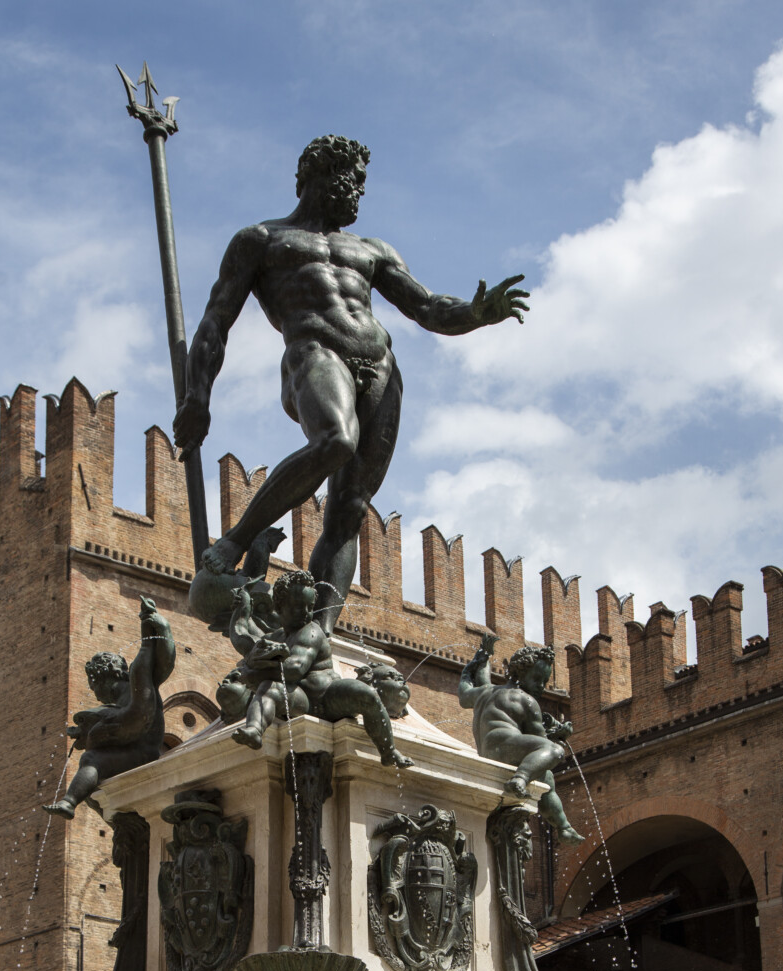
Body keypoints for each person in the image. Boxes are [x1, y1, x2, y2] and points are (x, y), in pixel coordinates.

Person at [175, 134, 529, 634]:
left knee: (350, 508)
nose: (358, 192)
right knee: (336, 441)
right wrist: (198, 396)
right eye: (350, 180)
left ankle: (317, 634)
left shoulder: (371, 250)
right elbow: (215, 322)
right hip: (314, 353)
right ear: (315, 178)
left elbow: (427, 307)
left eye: (363, 183)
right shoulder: (262, 240)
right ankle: (235, 540)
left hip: (381, 365)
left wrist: (476, 313)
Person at [225, 569, 413, 768]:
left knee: (365, 694)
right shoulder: (277, 637)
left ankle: (388, 750)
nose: (306, 612)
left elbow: (295, 668)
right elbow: (245, 640)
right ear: (280, 606)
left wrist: (254, 672)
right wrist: (241, 611)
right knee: (269, 689)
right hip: (303, 701)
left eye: (309, 606)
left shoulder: (311, 631)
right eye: (298, 606)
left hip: (329, 696)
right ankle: (254, 730)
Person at [45, 597, 175, 820]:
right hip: (136, 750)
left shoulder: (137, 679)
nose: (95, 693)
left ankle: (69, 802)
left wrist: (159, 626)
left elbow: (155, 655)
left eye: (93, 687)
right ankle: (111, 817)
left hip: (144, 753)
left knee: (91, 760)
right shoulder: (129, 689)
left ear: (102, 679)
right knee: (93, 780)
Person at [460, 633, 584, 845]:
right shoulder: (527, 701)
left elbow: (464, 693)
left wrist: (477, 661)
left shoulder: (485, 692)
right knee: (555, 751)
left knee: (547, 779)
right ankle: (521, 779)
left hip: (488, 750)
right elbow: (541, 742)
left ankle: (563, 827)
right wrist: (558, 734)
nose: (541, 686)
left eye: (544, 681)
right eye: (537, 679)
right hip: (506, 749)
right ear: (519, 674)